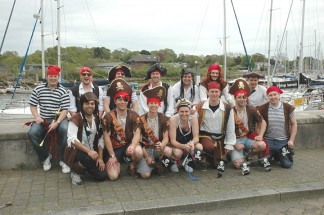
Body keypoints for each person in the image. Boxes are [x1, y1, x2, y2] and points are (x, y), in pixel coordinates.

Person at [28, 65, 70, 173]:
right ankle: (45, 158)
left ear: (58, 77)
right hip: (43, 119)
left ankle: (64, 160)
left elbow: (65, 109)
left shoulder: (64, 90)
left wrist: (58, 122)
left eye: (55, 76)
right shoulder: (38, 89)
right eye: (50, 75)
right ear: (47, 76)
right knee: (32, 133)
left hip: (60, 118)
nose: (53, 78)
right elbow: (33, 105)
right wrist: (37, 117)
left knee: (66, 130)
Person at [102, 78, 143, 180]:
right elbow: (106, 137)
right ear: (115, 101)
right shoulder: (108, 117)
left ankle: (132, 165)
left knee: (138, 152)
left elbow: (137, 133)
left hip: (128, 145)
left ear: (128, 101)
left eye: (125, 99)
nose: (122, 102)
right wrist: (112, 155)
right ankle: (117, 162)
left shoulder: (134, 115)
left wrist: (133, 146)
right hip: (114, 148)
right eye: (119, 99)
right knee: (113, 176)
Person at [228, 79, 269, 173]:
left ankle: (248, 155)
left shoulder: (251, 109)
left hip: (247, 138)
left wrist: (261, 135)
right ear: (235, 98)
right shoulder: (230, 112)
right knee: (238, 165)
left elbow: (263, 122)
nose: (242, 99)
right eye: (239, 97)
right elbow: (226, 131)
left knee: (261, 145)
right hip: (235, 140)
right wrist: (235, 144)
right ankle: (236, 154)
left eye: (244, 97)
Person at [66, 92, 107, 185]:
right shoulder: (75, 119)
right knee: (88, 158)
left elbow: (101, 138)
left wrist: (100, 158)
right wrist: (89, 151)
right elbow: (72, 139)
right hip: (77, 152)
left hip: (93, 153)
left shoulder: (97, 119)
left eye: (92, 103)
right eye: (87, 103)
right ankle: (76, 171)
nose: (90, 106)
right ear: (82, 104)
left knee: (102, 176)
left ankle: (86, 168)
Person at [195, 81, 236, 173]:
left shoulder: (228, 108)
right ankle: (202, 158)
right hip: (205, 135)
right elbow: (191, 118)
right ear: (207, 93)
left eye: (216, 92)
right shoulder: (200, 106)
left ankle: (211, 158)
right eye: (212, 91)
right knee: (209, 147)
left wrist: (229, 143)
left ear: (220, 92)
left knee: (216, 164)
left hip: (220, 137)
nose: (214, 94)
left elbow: (230, 126)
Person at [257, 86, 297, 168]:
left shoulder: (288, 108)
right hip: (268, 141)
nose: (273, 97)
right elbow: (258, 124)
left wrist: (291, 140)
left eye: (275, 94)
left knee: (287, 165)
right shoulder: (262, 108)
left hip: (283, 142)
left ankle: (279, 154)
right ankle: (275, 154)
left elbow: (294, 124)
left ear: (279, 95)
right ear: (267, 97)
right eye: (270, 95)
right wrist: (261, 137)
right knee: (262, 163)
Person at [137, 86, 173, 178]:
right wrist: (146, 157)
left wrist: (162, 144)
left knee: (168, 151)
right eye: (151, 103)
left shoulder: (164, 118)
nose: (153, 105)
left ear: (159, 105)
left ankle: (159, 163)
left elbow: (165, 138)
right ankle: (149, 164)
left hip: (158, 148)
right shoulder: (141, 119)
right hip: (146, 149)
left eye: (156, 103)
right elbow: (140, 142)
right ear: (147, 104)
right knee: (145, 175)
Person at [169, 99, 204, 173]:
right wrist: (184, 146)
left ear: (190, 111)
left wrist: (192, 143)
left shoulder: (194, 118)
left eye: (186, 111)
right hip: (177, 146)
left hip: (189, 145)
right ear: (178, 111)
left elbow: (196, 138)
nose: (184, 114)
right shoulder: (173, 119)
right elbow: (173, 141)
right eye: (181, 111)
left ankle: (189, 160)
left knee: (199, 146)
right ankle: (173, 162)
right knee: (177, 153)